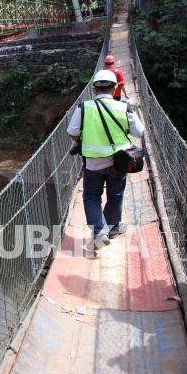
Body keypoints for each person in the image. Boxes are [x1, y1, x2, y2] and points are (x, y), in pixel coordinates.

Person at [67, 69, 145, 250]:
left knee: (91, 196)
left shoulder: (84, 107)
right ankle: (113, 229)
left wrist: (81, 141)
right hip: (119, 162)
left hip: (93, 163)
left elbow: (72, 131)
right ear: (115, 88)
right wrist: (131, 111)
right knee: (115, 195)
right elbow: (140, 132)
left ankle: (100, 231)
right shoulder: (123, 107)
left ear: (93, 89)